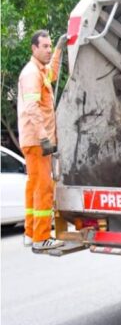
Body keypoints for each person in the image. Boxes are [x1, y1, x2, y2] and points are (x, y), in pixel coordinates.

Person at [17, 30, 66, 252]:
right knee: (44, 188)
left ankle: (30, 233)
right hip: (37, 141)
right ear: (33, 48)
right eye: (44, 46)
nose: (47, 50)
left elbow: (53, 75)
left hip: (33, 139)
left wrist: (59, 49)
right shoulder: (31, 74)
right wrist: (44, 136)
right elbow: (31, 108)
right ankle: (42, 237)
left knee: (34, 186)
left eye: (49, 46)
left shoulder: (40, 71)